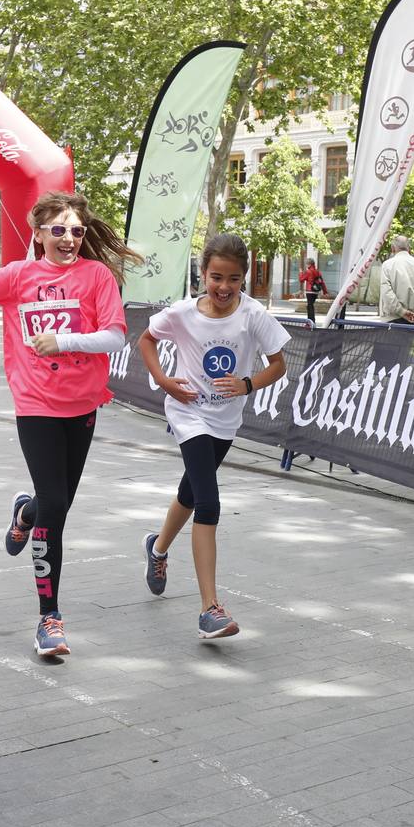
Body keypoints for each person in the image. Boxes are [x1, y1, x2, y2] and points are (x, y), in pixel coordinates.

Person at [0, 190, 139, 657]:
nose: (69, 238)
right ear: (38, 234)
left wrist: (65, 339)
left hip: (84, 404)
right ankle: (48, 617)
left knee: (57, 503)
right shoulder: (18, 276)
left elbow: (115, 336)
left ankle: (24, 515)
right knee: (57, 502)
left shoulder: (97, 277)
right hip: (35, 403)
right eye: (59, 230)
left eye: (77, 231)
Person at [136, 234, 289, 640]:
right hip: (188, 413)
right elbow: (146, 340)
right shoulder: (184, 313)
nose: (223, 288)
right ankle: (210, 609)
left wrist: (248, 384)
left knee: (190, 492)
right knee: (208, 502)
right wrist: (165, 381)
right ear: (203, 273)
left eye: (233, 279)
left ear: (244, 279)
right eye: (216, 277)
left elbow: (278, 365)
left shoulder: (253, 315)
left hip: (225, 420)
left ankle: (157, 548)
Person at [298, 257, 328, 322]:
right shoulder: (318, 272)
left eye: (306, 264)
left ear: (309, 264)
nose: (306, 265)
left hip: (309, 291)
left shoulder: (308, 272)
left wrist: (300, 273)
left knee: (310, 306)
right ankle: (311, 321)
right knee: (310, 305)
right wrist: (325, 292)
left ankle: (311, 321)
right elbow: (322, 282)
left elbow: (301, 280)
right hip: (316, 291)